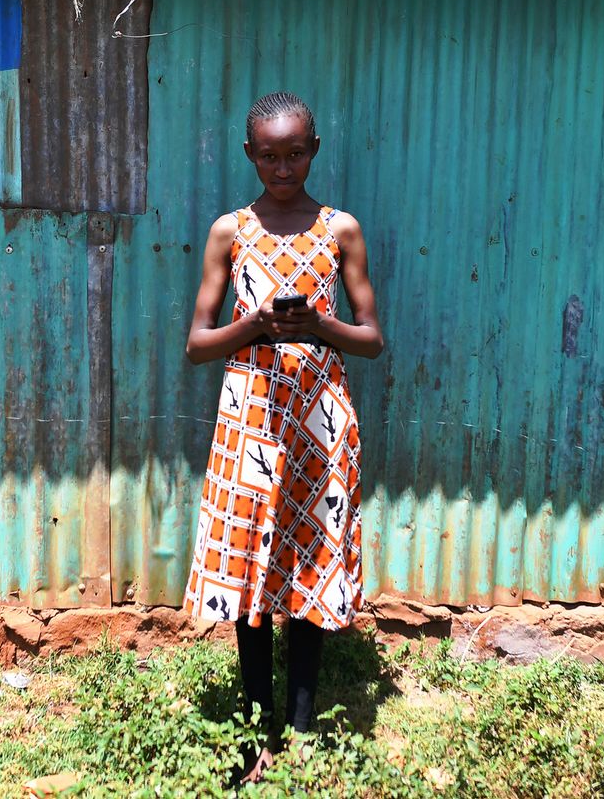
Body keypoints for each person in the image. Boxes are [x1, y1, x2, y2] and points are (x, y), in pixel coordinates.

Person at [182, 91, 384, 784]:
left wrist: (318, 326)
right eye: (269, 155)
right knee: (251, 577)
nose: (283, 165)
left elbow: (373, 340)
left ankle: (298, 730)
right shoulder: (229, 231)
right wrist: (259, 325)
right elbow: (198, 345)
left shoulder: (341, 231)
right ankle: (254, 725)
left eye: (295, 152)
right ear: (250, 156)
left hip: (320, 423)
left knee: (309, 570)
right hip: (251, 423)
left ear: (315, 149)